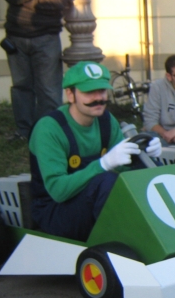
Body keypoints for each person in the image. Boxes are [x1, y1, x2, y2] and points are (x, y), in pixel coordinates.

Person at [29, 61, 162, 241]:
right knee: (106, 180)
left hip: (90, 203)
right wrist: (103, 163)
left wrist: (145, 154)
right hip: (54, 212)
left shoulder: (106, 121)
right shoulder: (50, 129)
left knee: (144, 170)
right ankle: (127, 241)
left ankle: (161, 233)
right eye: (88, 92)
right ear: (70, 94)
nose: (98, 98)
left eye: (101, 91)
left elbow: (123, 168)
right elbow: (58, 190)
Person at [2, 0, 70, 141]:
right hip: (17, 39)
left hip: (46, 39)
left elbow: (57, 3)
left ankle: (48, 133)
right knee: (22, 86)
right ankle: (24, 132)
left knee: (49, 89)